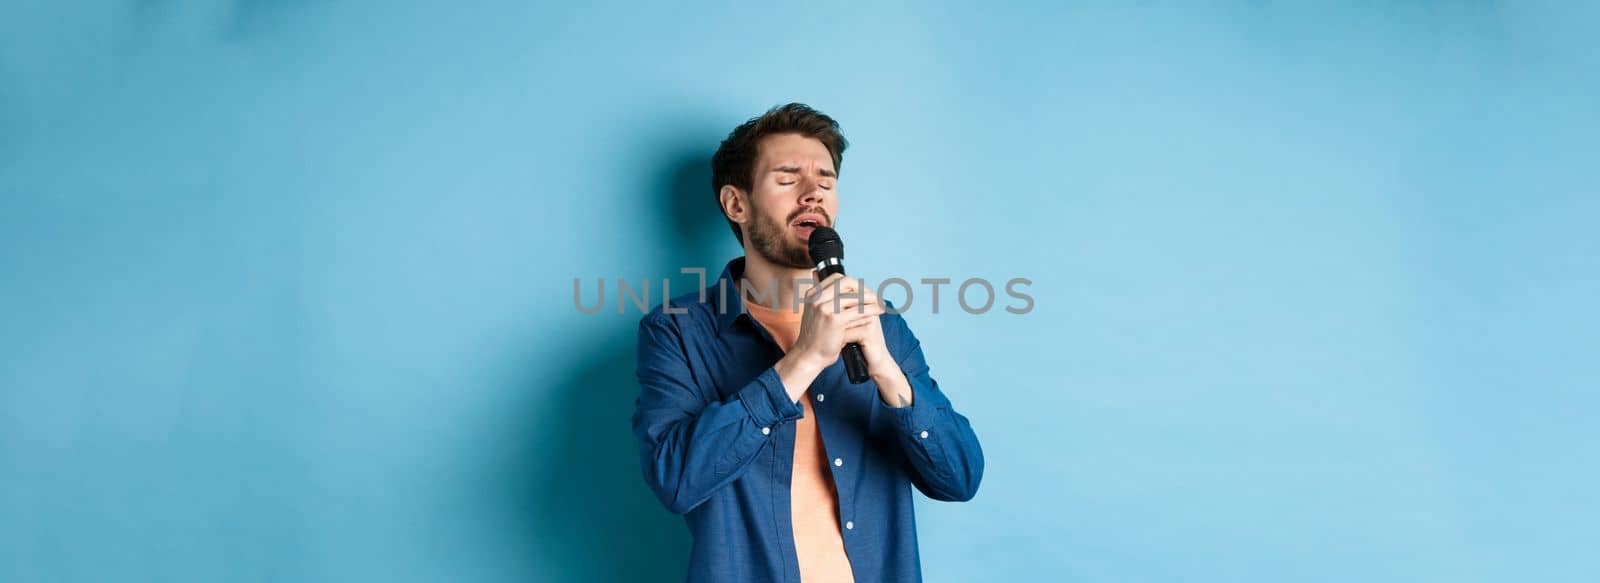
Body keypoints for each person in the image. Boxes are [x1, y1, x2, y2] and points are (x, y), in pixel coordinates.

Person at [631, 103, 985, 583]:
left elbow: (960, 477)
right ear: (737, 204)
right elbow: (677, 480)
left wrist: (886, 371)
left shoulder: (881, 326)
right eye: (787, 178)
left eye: (826, 179)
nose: (813, 192)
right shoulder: (676, 331)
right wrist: (804, 359)